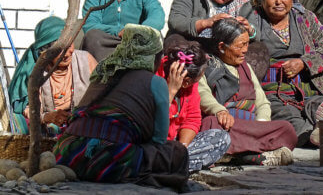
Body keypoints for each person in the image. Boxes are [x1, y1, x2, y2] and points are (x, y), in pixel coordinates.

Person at [54, 24, 189, 188]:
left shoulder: (102, 72)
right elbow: (158, 139)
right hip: (112, 158)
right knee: (177, 152)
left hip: (68, 153)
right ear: (154, 56)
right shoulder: (156, 82)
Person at [250, 0, 323, 147]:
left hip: (307, 86)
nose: (279, 1)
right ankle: (320, 133)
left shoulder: (305, 18)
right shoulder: (253, 21)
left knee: (318, 103)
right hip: (271, 91)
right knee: (285, 116)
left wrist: (304, 62)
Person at [199, 18, 297, 166]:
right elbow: (202, 93)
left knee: (286, 128)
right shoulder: (206, 65)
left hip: (251, 127)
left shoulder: (245, 67)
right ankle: (254, 155)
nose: (246, 50)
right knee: (210, 125)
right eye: (241, 45)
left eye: (247, 44)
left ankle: (233, 154)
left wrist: (262, 124)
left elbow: (262, 101)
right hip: (227, 126)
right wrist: (219, 111)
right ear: (222, 47)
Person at [8, 16, 97, 135]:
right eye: (60, 49)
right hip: (49, 123)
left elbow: (104, 93)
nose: (67, 53)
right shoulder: (36, 71)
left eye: (70, 45)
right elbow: (31, 110)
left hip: (83, 121)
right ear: (46, 52)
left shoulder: (85, 60)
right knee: (19, 123)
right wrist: (47, 117)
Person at [156, 40, 231, 172]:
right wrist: (170, 92)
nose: (200, 81)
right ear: (186, 82)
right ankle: (167, 168)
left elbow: (192, 119)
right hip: (153, 145)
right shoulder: (153, 79)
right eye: (199, 78)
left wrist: (182, 148)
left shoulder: (190, 86)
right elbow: (151, 125)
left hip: (174, 146)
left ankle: (172, 166)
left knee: (221, 138)